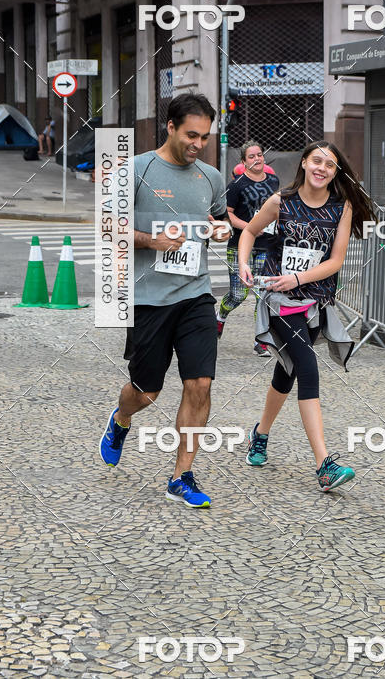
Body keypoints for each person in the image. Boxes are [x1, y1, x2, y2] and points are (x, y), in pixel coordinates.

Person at [99, 93, 232, 508]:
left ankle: (181, 476)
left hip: (195, 295)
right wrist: (150, 240)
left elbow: (217, 220)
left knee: (200, 384)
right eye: (191, 135)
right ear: (170, 127)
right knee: (146, 392)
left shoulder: (211, 176)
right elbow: (107, 228)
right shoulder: (135, 169)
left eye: (205, 137)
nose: (198, 144)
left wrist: (222, 232)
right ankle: (121, 420)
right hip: (148, 299)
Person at [238, 140, 375, 492]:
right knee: (308, 369)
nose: (322, 169)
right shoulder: (281, 202)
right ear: (303, 163)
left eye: (329, 165)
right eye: (317, 161)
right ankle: (324, 465)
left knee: (288, 371)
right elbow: (250, 231)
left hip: (315, 302)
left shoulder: (341, 208)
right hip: (280, 302)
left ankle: (260, 434)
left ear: (334, 172)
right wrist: (242, 264)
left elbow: (335, 262)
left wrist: (299, 277)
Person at [217, 140, 280, 356]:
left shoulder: (273, 181)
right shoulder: (236, 185)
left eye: (259, 155)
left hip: (266, 246)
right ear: (244, 162)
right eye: (251, 157)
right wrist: (250, 228)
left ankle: (260, 340)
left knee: (263, 295)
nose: (256, 159)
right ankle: (221, 316)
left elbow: (276, 209)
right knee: (238, 294)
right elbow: (228, 215)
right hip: (240, 246)